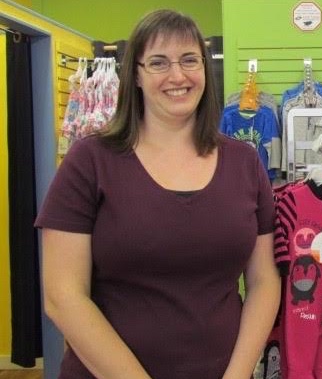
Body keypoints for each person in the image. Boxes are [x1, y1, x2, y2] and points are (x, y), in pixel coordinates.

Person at [35, 9, 280, 379]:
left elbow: (264, 281)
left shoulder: (244, 163)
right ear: (135, 73)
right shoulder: (90, 161)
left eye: (189, 60)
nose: (177, 76)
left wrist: (238, 373)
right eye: (159, 62)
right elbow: (62, 296)